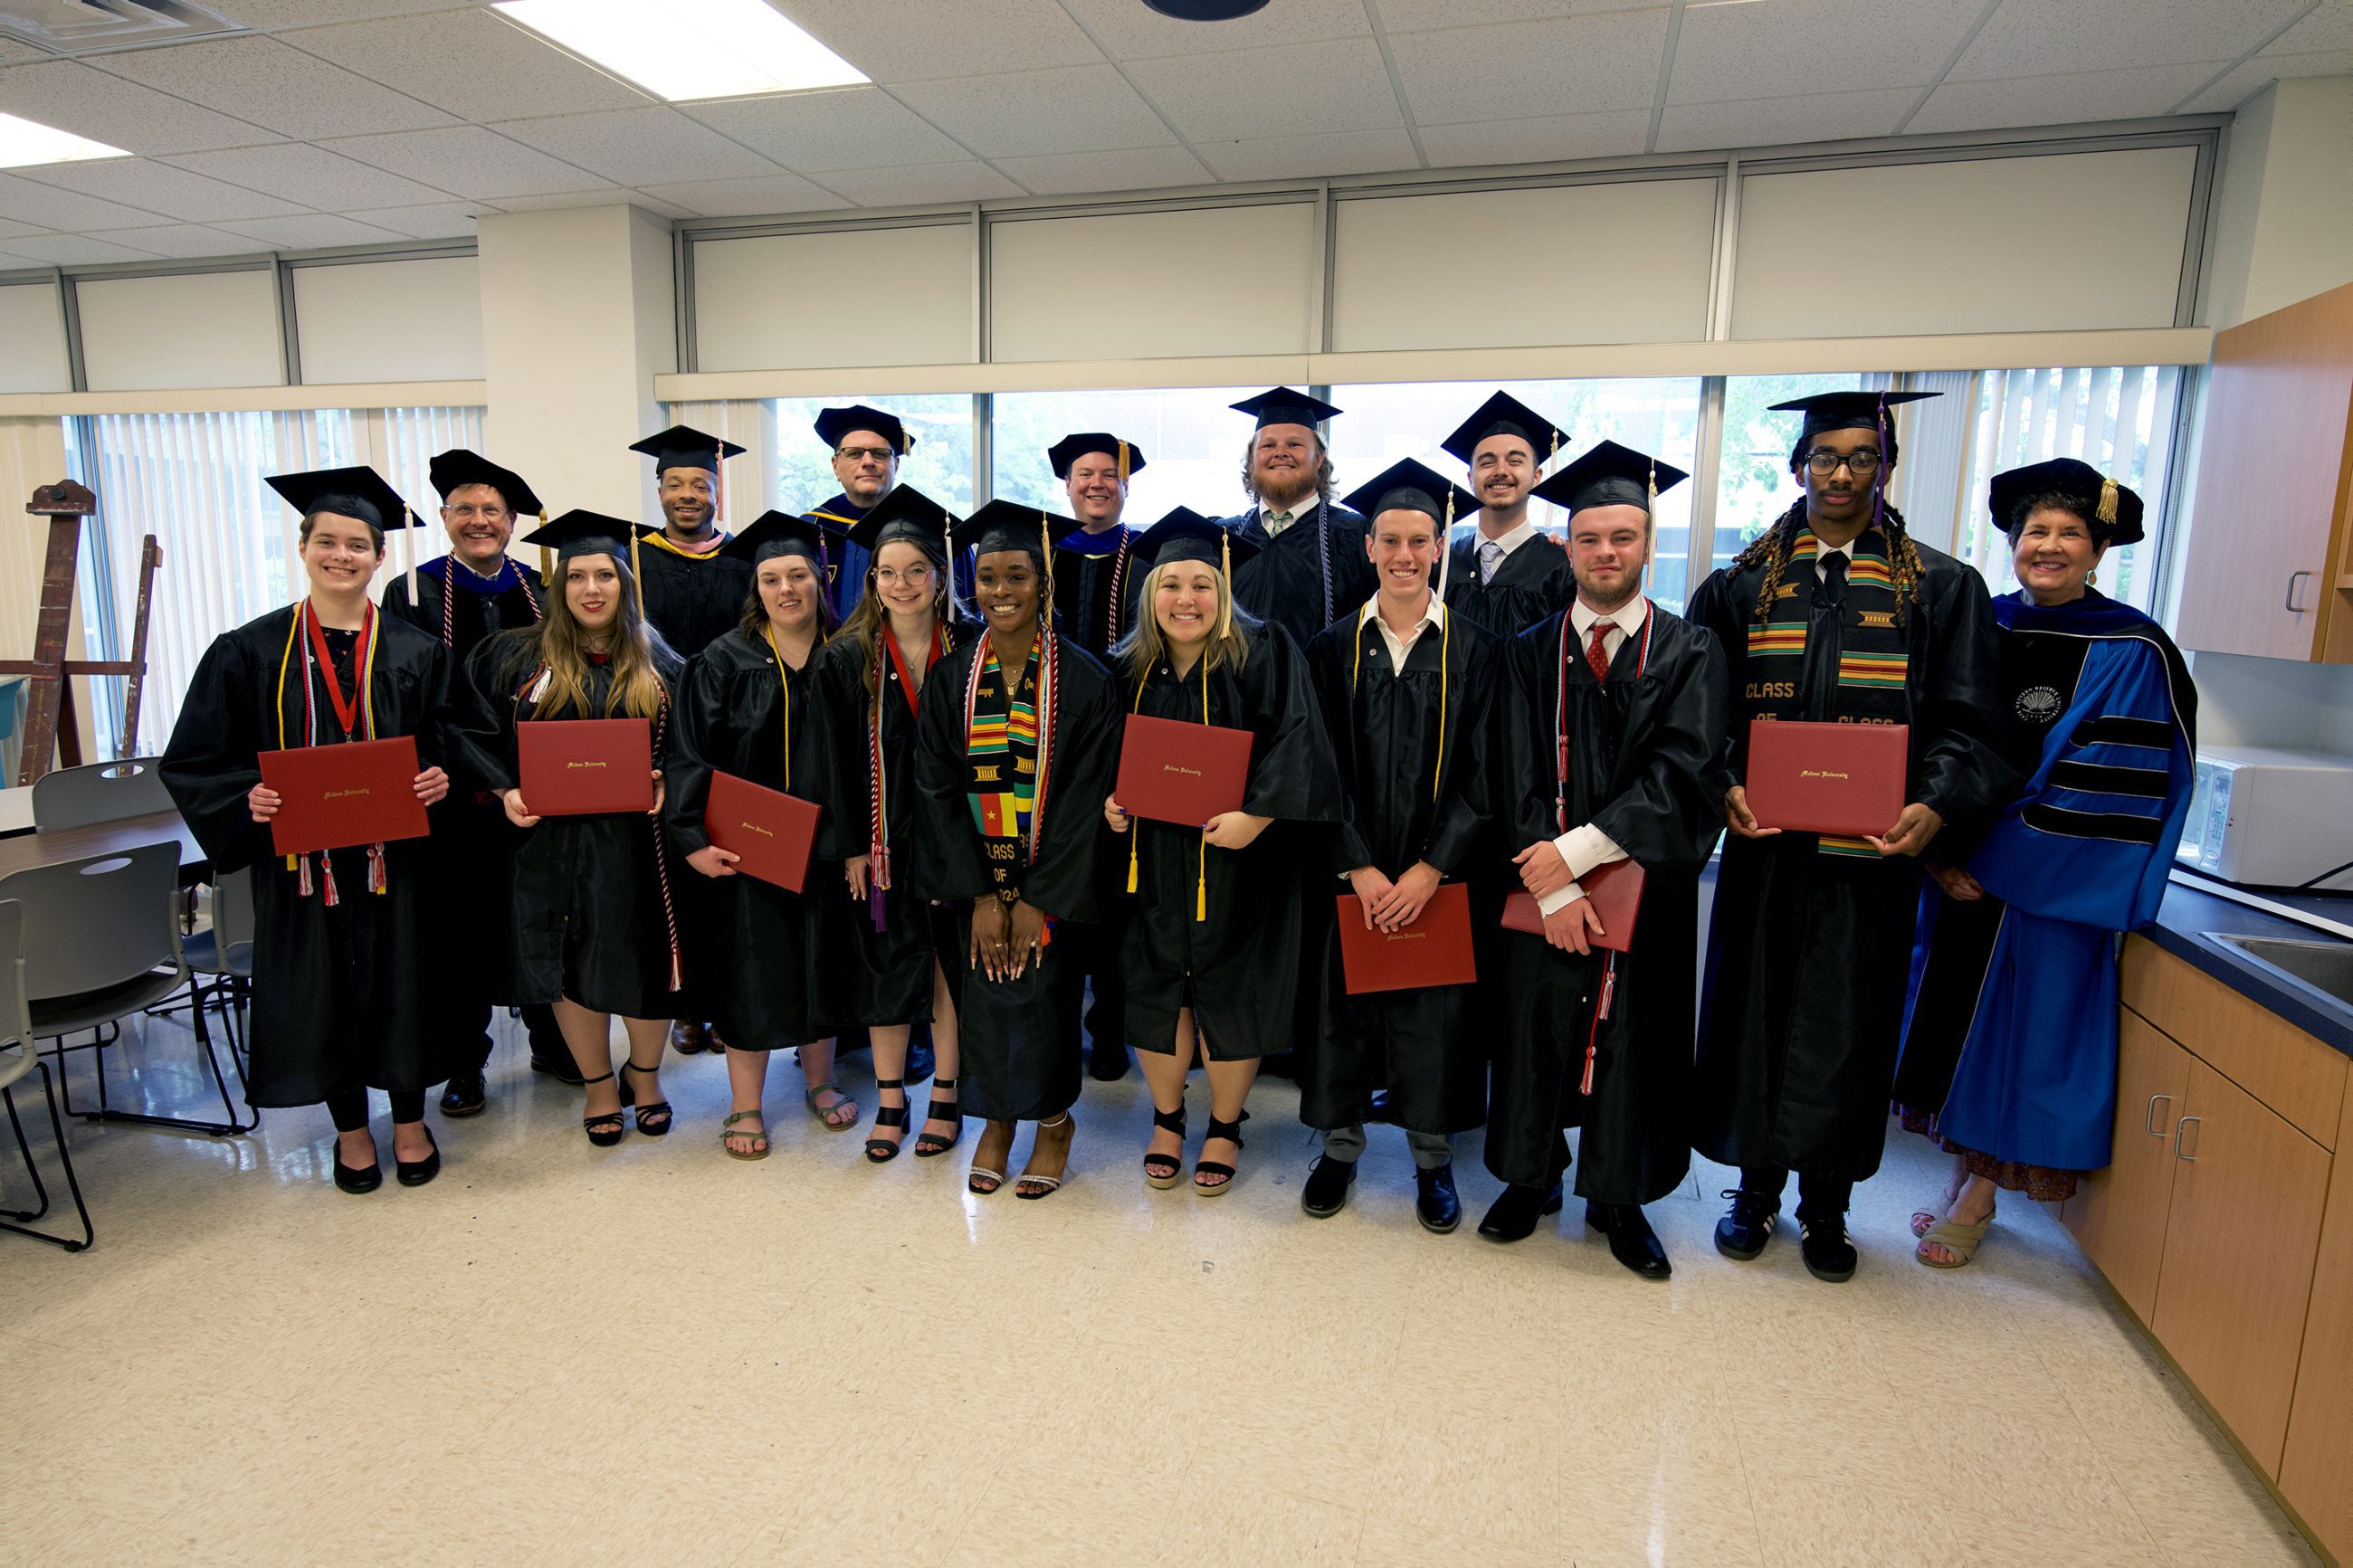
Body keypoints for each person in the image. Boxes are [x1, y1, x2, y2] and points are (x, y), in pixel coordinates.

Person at [1687, 391, 2014, 1282]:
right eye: (1823, 456)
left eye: (1859, 457)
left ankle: (1826, 1207)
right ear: (1796, 466)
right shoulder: (1742, 583)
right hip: (1767, 850)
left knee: (1847, 1027)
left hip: (1871, 859)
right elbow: (1698, 713)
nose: (1839, 472)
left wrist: (1933, 806)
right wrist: (1722, 784)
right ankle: (1752, 1194)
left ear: (1884, 468)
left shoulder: (1939, 586)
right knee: (1758, 1017)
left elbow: (1969, 721)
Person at [1896, 461, 2196, 1267]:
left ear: (2100, 549)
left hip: (2047, 883)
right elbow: (1928, 740)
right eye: (2036, 531)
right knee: (1959, 1027)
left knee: (2027, 1037)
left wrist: (1993, 862)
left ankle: (1981, 1194)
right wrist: (1940, 851)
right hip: (1957, 874)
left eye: (2070, 533)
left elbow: (2104, 783)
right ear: (2013, 542)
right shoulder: (1981, 624)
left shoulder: (2130, 648)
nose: (2050, 546)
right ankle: (1964, 1174)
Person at [160, 465, 454, 1193]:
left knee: (401, 984)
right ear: (303, 547)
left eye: (358, 544)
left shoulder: (416, 651)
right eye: (328, 541)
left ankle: (411, 1123)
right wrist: (246, 798)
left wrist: (444, 774)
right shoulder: (250, 650)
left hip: (398, 862)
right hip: (302, 865)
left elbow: (455, 738)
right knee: (323, 990)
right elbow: (196, 757)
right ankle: (352, 1133)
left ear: (379, 557)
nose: (342, 555)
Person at [1484, 442, 1727, 1279]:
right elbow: (1507, 770)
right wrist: (1547, 887)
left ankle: (1619, 1199)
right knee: (1536, 1027)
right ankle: (1530, 1179)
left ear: (1647, 544)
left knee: (1633, 1039)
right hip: (1537, 892)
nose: (1606, 553)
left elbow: (1685, 775)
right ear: (1568, 546)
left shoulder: (1690, 651)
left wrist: (1571, 859)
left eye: (1623, 537)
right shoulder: (1526, 650)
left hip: (1643, 891)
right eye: (1589, 539)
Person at [1103, 509, 1338, 1194]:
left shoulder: (1264, 649)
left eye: (1202, 584)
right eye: (1170, 584)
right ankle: (1169, 1117)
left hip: (1240, 860)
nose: (1186, 599)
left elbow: (1302, 739)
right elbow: (1096, 760)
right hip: (1149, 865)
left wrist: (1259, 815)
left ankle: (1227, 1124)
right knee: (1156, 991)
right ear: (1150, 595)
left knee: (1235, 991)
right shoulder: (1126, 668)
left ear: (1224, 589)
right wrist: (1110, 807)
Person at [1300, 458, 1497, 1233]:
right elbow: (1311, 764)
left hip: (1435, 876)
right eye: (1391, 541)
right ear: (1369, 548)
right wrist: (1356, 863)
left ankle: (1431, 1160)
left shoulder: (1477, 649)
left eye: (1420, 540)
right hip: (1354, 870)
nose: (1405, 555)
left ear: (1439, 548)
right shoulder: (1330, 647)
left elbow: (1488, 769)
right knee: (1346, 1006)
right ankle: (1340, 1149)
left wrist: (1431, 866)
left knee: (1433, 1013)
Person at [448, 511, 683, 1147]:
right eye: (576, 575)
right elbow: (468, 731)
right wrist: (504, 787)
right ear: (559, 586)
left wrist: (669, 781)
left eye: (604, 574)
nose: (591, 588)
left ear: (624, 583)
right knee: (568, 960)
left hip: (637, 841)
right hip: (549, 843)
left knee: (641, 957)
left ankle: (646, 1075)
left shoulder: (659, 662)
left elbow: (693, 746)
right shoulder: (517, 657)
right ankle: (600, 1085)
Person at [910, 500, 1122, 1197]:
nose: (1001, 591)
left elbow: (1086, 798)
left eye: (1017, 576)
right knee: (982, 992)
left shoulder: (1086, 681)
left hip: (1049, 883)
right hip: (972, 880)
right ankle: (998, 1119)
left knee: (1045, 997)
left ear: (1043, 581)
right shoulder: (952, 678)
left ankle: (1054, 1119)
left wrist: (1036, 898)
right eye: (988, 576)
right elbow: (936, 788)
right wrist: (978, 893)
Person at [380, 446, 571, 1116]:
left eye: (492, 509)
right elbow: (407, 698)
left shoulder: (540, 588)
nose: (480, 519)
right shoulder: (413, 592)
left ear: (512, 520)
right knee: (460, 924)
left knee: (541, 910)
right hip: (453, 788)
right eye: (466, 508)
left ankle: (553, 1038)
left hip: (536, 781)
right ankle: (466, 1059)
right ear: (444, 516)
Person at [664, 511, 858, 1161]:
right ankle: (745, 1102)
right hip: (748, 845)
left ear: (819, 577)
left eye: (798, 574)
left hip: (829, 844)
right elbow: (690, 753)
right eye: (772, 578)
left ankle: (821, 1080)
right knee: (750, 964)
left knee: (822, 959)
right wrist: (691, 835)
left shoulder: (848, 651)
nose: (786, 588)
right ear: (757, 587)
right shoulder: (724, 660)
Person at [810, 485, 970, 1164]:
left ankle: (946, 1092)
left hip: (954, 838)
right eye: (887, 572)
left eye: (916, 570)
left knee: (945, 963)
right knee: (884, 963)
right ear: (870, 580)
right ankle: (890, 1096)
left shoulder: (972, 650)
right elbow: (831, 762)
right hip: (878, 843)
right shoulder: (846, 659)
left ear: (940, 576)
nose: (901, 584)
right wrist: (849, 846)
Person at [628, 423, 753, 1058]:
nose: (686, 494)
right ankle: (687, 1005)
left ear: (716, 488)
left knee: (729, 870)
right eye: (674, 484)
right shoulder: (635, 559)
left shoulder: (744, 556)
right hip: (658, 731)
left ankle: (727, 1001)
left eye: (698, 483)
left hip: (733, 735)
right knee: (673, 873)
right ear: (659, 489)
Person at [1043, 431, 1148, 1083]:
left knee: (1116, 891)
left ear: (1125, 484)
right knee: (1061, 880)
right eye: (1085, 473)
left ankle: (1111, 1026)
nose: (1097, 483)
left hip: (1129, 734)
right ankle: (1057, 1020)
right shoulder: (1044, 554)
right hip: (1054, 741)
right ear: (1068, 483)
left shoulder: (1149, 555)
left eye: (1109, 474)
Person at [1218, 388, 1376, 649]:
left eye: (1294, 444)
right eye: (1268, 445)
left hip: (1321, 687)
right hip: (1234, 687)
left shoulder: (1356, 535)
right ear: (1252, 460)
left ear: (1319, 458)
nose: (1280, 452)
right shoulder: (1225, 537)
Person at [1438, 390, 1576, 638]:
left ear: (1537, 477)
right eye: (1487, 462)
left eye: (1514, 461)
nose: (1500, 471)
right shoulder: (1444, 563)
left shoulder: (1561, 567)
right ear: (1470, 479)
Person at [805, 404, 914, 623]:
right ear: (836, 466)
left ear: (896, 464)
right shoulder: (810, 527)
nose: (868, 462)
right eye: (854, 454)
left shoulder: (925, 525)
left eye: (880, 454)